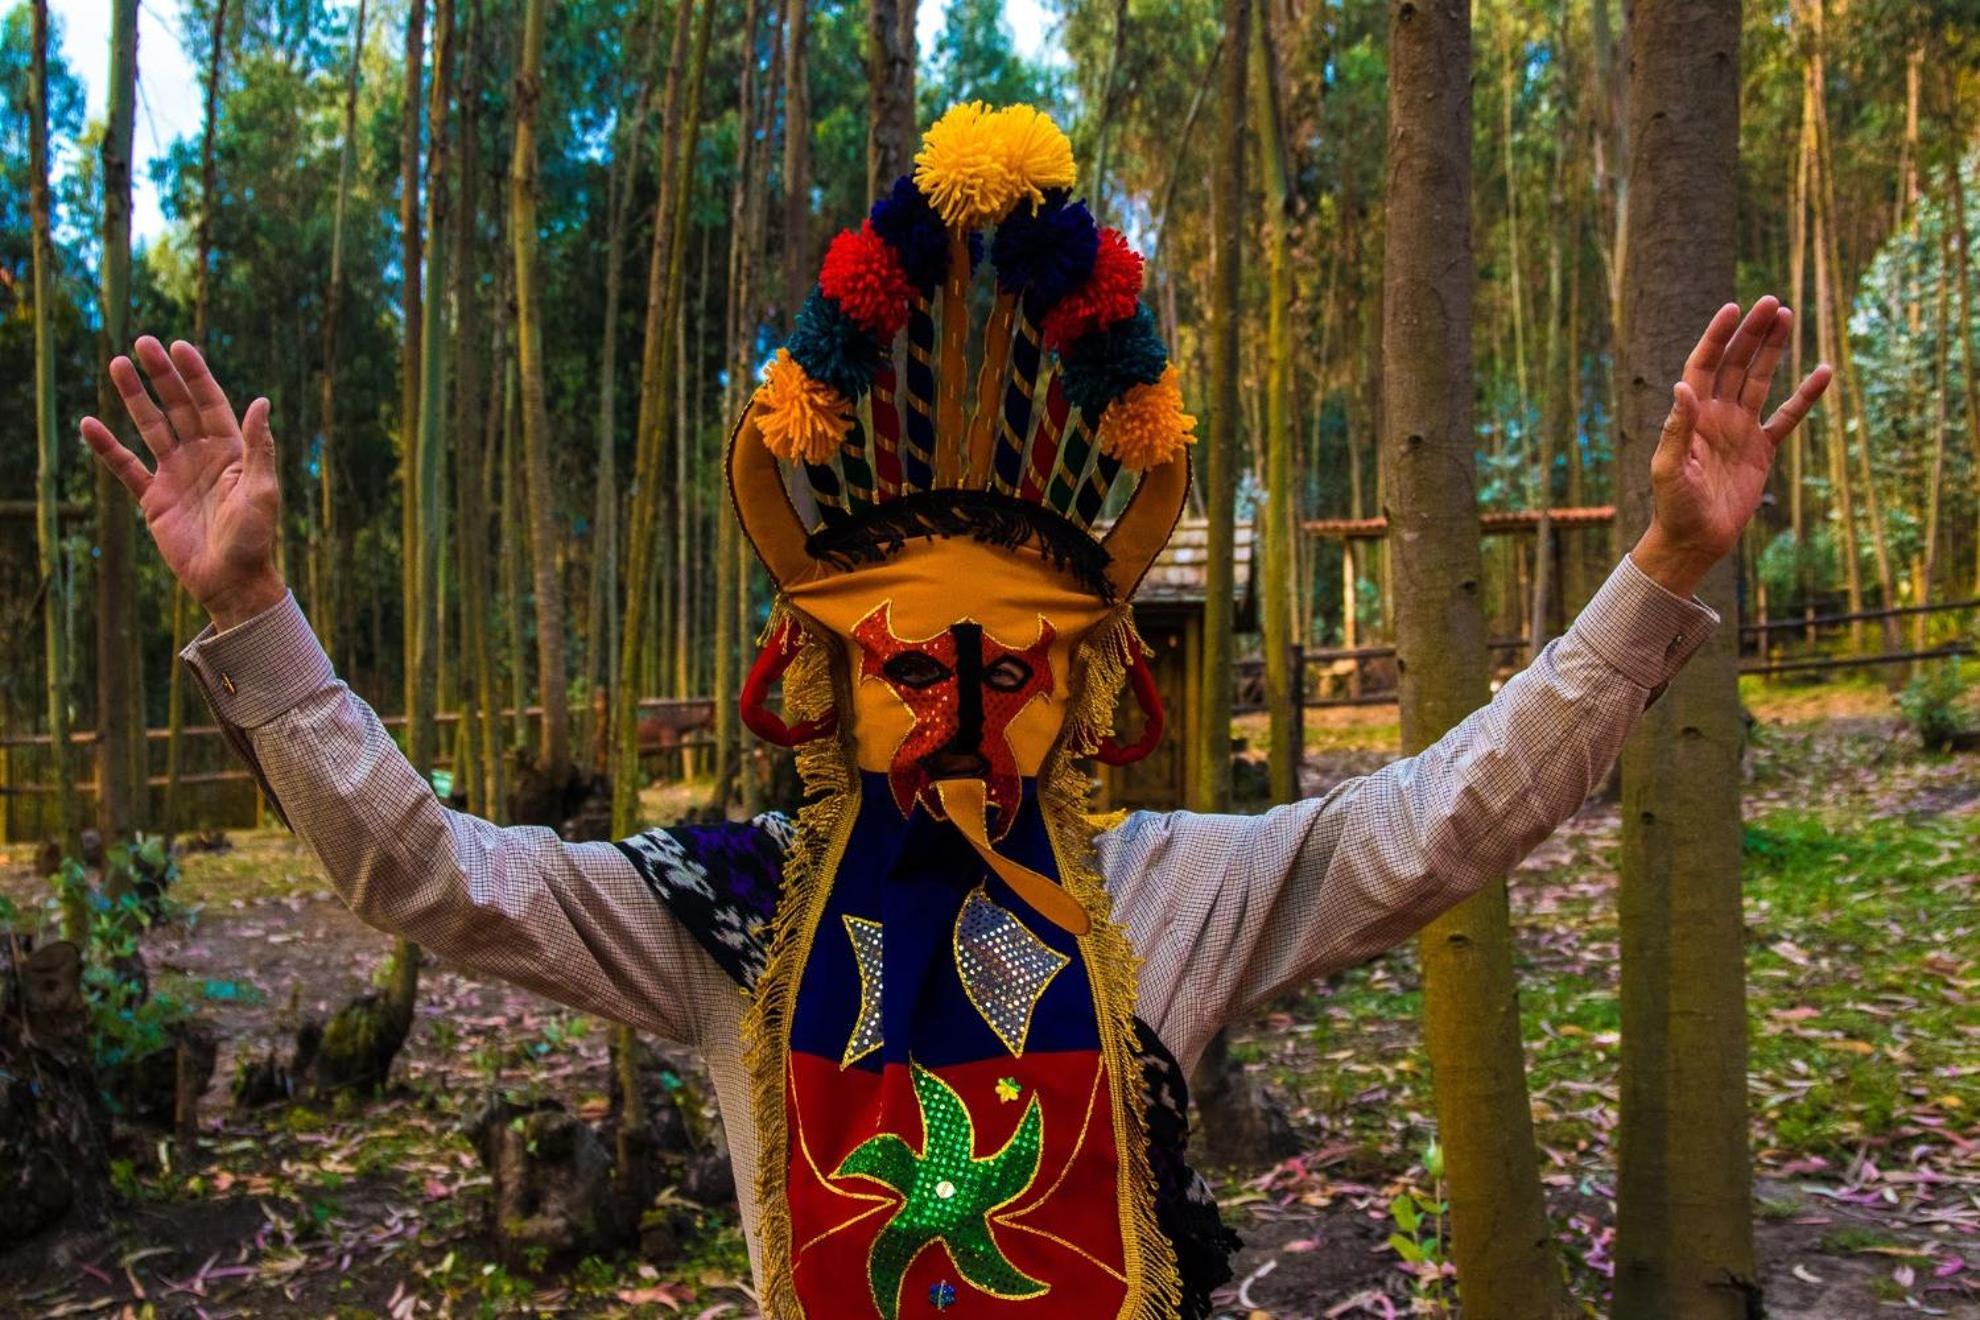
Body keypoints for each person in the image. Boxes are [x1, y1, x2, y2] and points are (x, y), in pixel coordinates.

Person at [84, 103, 1828, 1320]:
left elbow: (1442, 815)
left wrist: (1664, 566)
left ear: (1088, 691)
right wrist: (255, 620)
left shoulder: (1165, 894)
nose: (966, 712)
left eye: (1015, 669)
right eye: (918, 664)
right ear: (826, 682)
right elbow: (430, 875)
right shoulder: (726, 917)